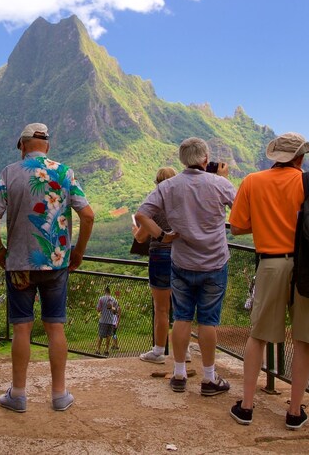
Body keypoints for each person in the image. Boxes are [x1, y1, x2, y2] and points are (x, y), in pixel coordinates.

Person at [227, 132, 309, 431]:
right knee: (304, 339)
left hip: (270, 264)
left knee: (258, 335)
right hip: (307, 267)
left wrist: (264, 219)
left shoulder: (252, 181)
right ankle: (293, 411)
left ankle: (247, 406)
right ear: (301, 158)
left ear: (275, 157)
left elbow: (237, 227)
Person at [0, 122, 95, 413]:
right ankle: (59, 395)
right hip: (57, 262)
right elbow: (88, 215)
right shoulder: (64, 172)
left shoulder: (9, 172)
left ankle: (18, 395)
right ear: (47, 146)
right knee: (55, 326)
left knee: (22, 328)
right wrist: (77, 251)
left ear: (22, 146)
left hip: (19, 263)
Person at [134, 137, 235, 397]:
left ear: (182, 160)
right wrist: (223, 178)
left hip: (181, 262)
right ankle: (210, 379)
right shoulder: (219, 184)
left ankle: (179, 374)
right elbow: (242, 212)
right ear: (205, 159)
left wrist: (161, 235)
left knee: (181, 318)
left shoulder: (168, 186)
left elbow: (142, 214)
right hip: (214, 262)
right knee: (208, 322)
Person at [133, 166, 189, 365]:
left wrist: (136, 230)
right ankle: (185, 350)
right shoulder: (183, 202)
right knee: (183, 306)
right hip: (183, 255)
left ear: (157, 183)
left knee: (161, 308)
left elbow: (141, 238)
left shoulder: (155, 204)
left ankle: (158, 351)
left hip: (159, 255)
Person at [95, 286, 118, 355]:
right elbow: (115, 311)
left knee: (100, 336)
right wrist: (112, 308)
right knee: (109, 336)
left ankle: (98, 350)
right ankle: (106, 350)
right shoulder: (114, 300)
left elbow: (98, 309)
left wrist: (102, 309)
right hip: (111, 321)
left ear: (105, 291)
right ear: (110, 292)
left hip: (103, 320)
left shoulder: (101, 298)